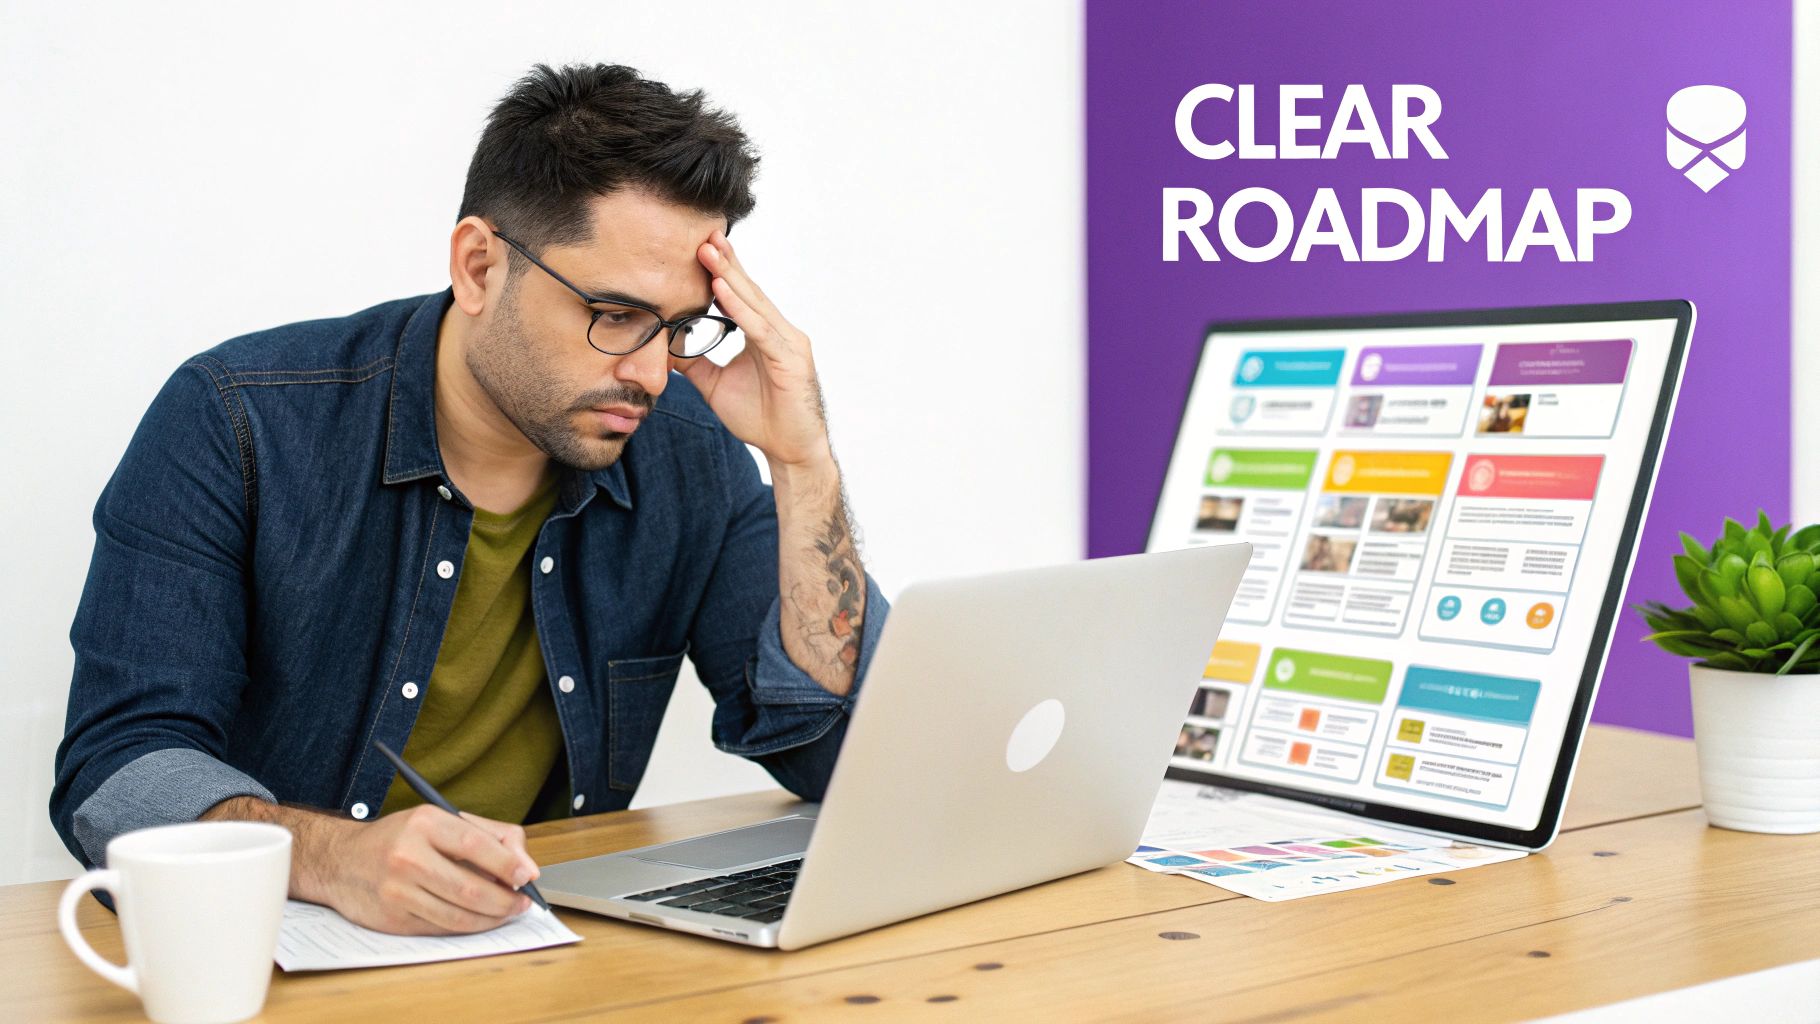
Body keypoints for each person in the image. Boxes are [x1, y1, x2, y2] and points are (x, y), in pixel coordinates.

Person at [50, 62, 889, 937]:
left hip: (543, 949)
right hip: (272, 958)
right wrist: (335, 862)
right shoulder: (239, 420)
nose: (650, 374)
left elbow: (833, 752)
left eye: (680, 328)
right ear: (480, 266)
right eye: (614, 313)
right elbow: (117, 771)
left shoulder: (688, 453)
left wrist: (803, 461)